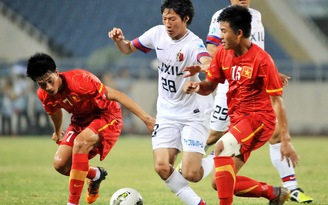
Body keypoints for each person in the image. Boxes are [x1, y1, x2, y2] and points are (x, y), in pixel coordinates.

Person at [184, 5, 300, 205]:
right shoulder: (222, 53)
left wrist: (286, 139)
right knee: (219, 181)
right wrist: (197, 86)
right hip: (238, 121)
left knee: (220, 148)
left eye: (223, 31)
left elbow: (277, 101)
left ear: (238, 33)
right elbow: (209, 86)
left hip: (259, 119)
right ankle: (273, 193)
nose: (220, 36)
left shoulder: (262, 60)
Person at [109, 0, 214, 204]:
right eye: (165, 18)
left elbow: (208, 63)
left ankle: (218, 156)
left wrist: (198, 72)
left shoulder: (193, 43)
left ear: (186, 19)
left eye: (172, 19)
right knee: (162, 166)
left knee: (192, 173)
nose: (167, 23)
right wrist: (119, 41)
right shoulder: (157, 33)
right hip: (166, 113)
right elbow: (128, 48)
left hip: (193, 112)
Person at [26, 52, 155, 205]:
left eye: (50, 81)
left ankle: (72, 203)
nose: (48, 87)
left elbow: (116, 95)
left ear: (56, 72)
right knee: (60, 164)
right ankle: (95, 174)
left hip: (106, 116)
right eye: (42, 84)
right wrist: (57, 130)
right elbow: (54, 111)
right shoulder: (43, 94)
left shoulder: (80, 80)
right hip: (79, 121)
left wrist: (146, 119)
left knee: (81, 142)